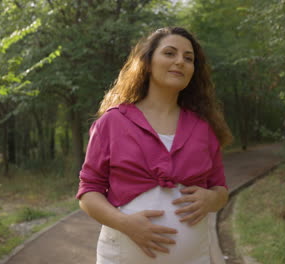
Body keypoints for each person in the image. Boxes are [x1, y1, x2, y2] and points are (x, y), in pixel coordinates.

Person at [76, 26, 233, 264]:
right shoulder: (112, 122)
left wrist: (211, 200)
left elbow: (220, 190)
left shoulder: (204, 128)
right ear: (147, 63)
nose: (180, 61)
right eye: (170, 53)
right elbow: (88, 192)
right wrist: (125, 224)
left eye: (188, 58)